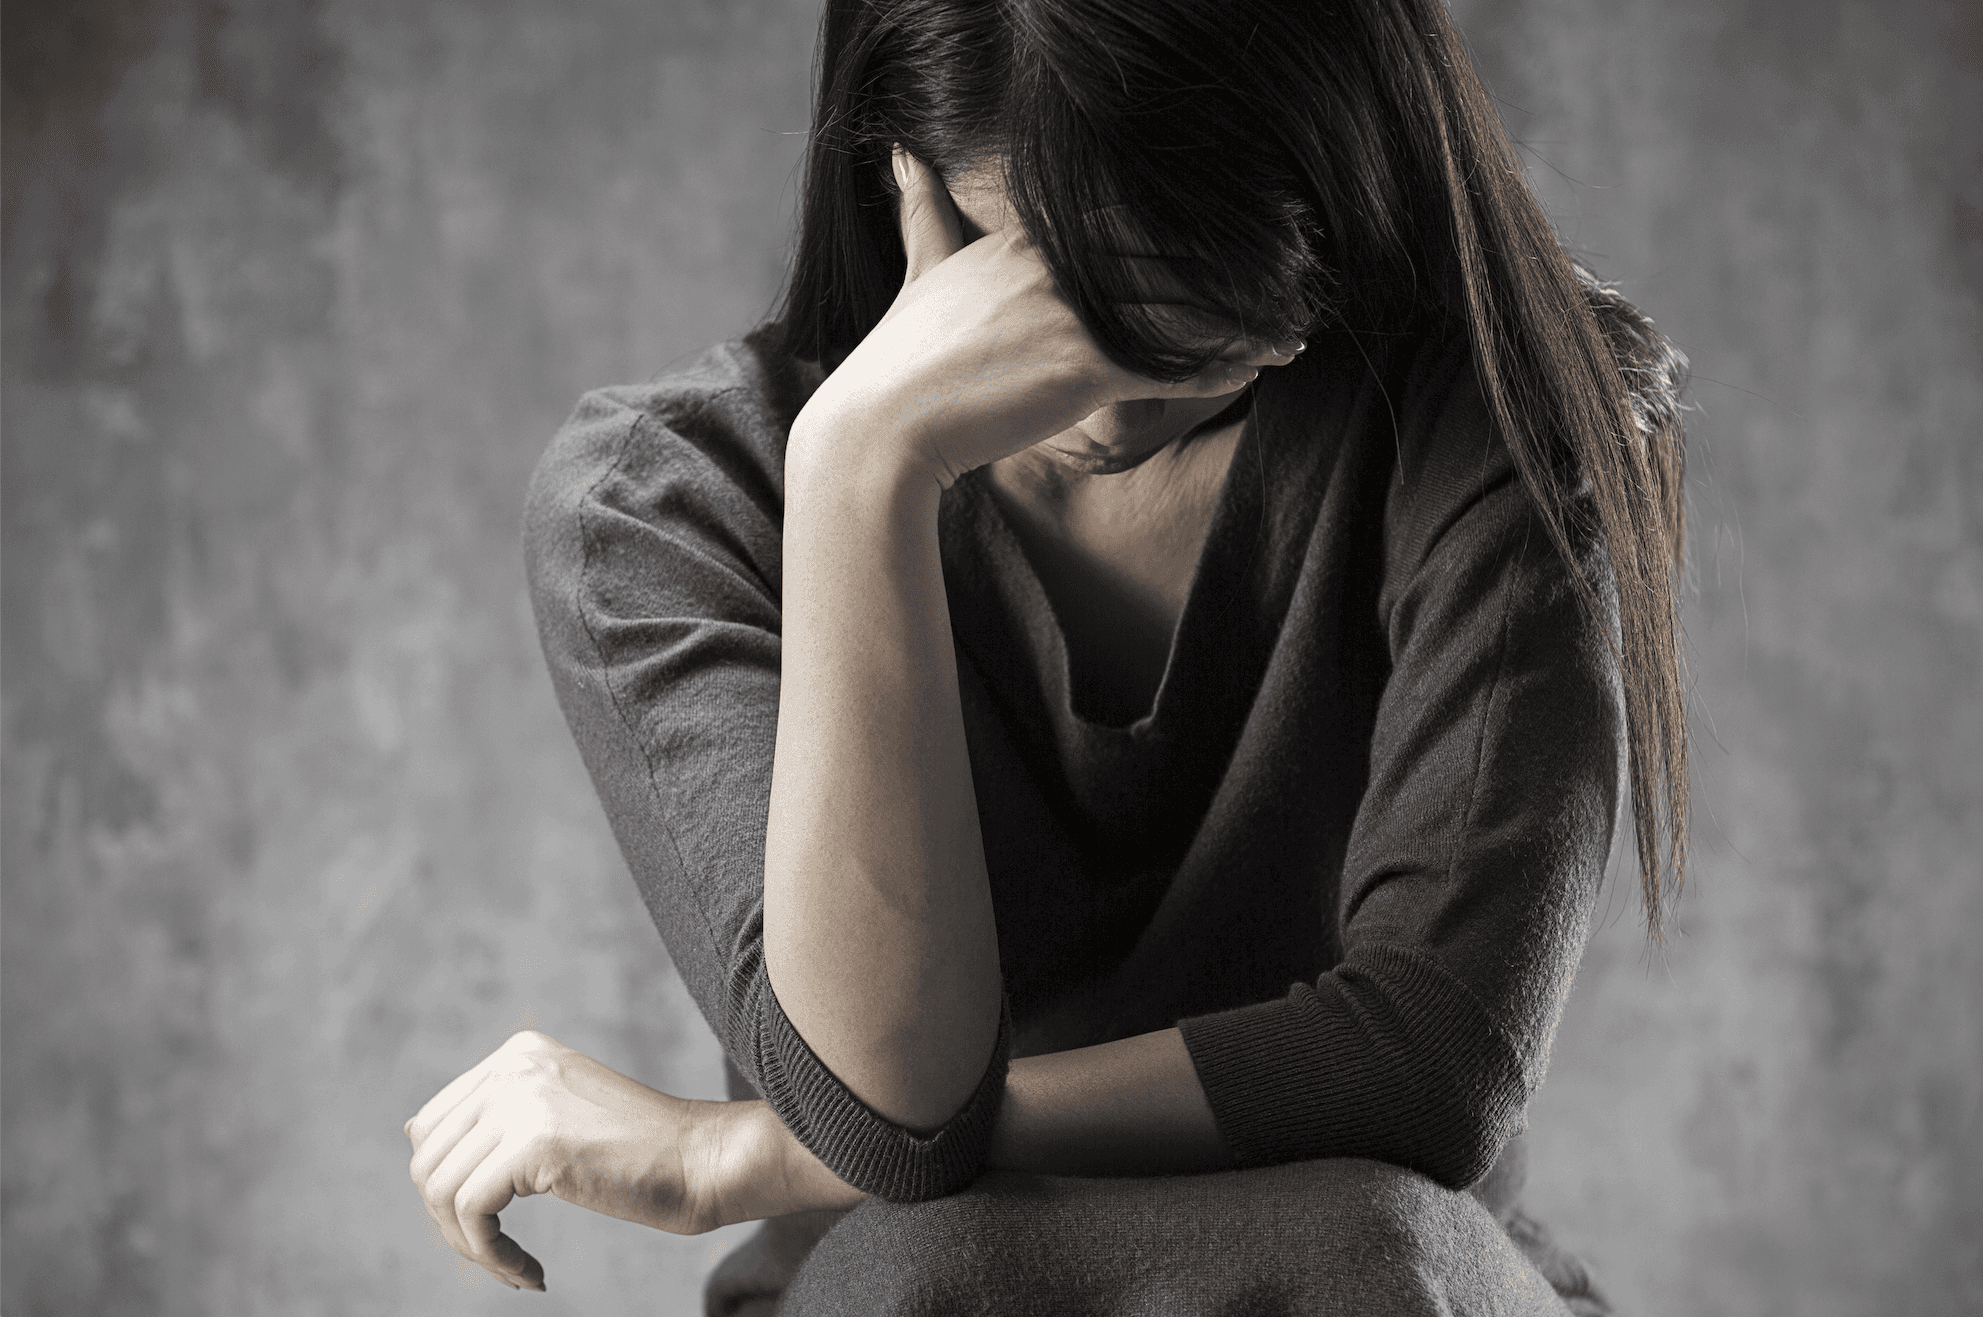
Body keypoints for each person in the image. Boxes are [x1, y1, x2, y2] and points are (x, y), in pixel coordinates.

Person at [403, 0, 1690, 1312]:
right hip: (915, 1291)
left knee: (1363, 1244)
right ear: (902, 173)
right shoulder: (663, 502)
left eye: (1185, 304)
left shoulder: (1510, 410)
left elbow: (1427, 1065)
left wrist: (747, 1154)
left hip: (1376, 1283)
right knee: (931, 1261)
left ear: (1327, 190)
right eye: (1043, 290)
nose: (1106, 394)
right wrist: (865, 466)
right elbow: (894, 1113)